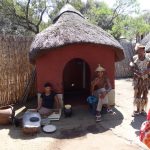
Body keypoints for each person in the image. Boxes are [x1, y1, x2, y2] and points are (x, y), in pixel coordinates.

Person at [130, 43, 150, 117]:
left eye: (142, 50)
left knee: (145, 94)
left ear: (144, 51)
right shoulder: (135, 58)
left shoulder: (148, 59)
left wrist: (147, 71)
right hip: (137, 79)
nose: (140, 52)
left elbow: (149, 67)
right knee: (138, 93)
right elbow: (132, 66)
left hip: (145, 79)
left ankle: (142, 110)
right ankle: (137, 110)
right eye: (138, 50)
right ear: (137, 51)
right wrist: (135, 71)